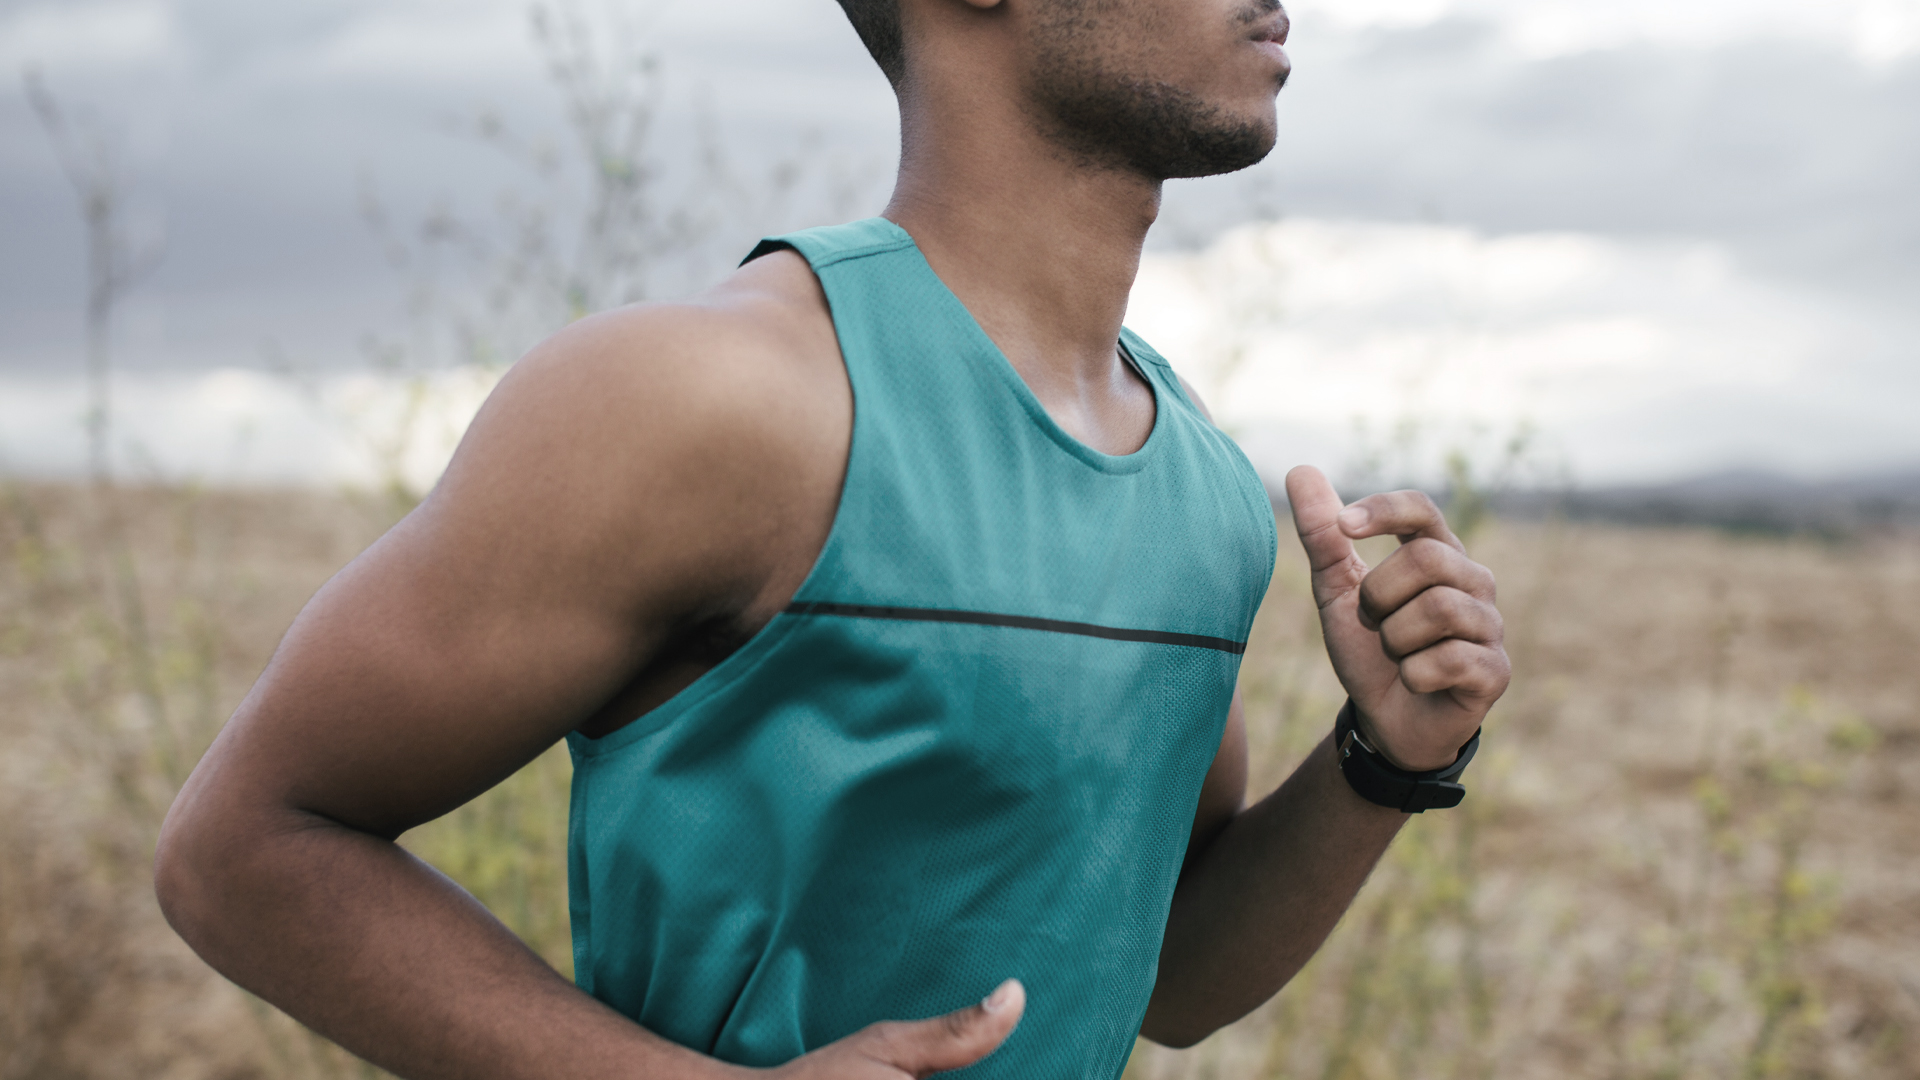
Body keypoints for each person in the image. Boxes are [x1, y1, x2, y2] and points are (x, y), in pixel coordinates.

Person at [155, 0, 1510, 1076]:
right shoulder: (709, 398)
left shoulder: (1206, 488)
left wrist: (1382, 763)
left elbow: (1170, 981)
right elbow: (245, 848)